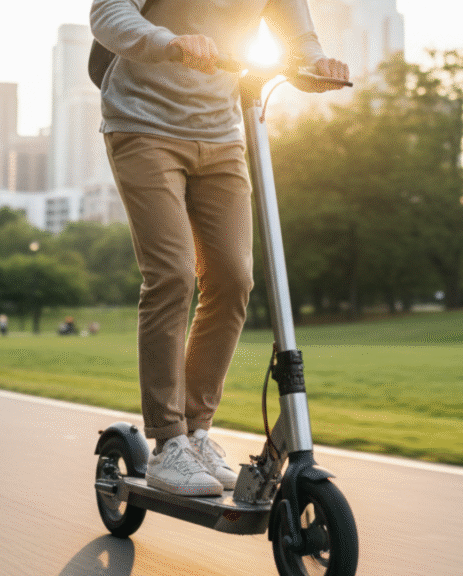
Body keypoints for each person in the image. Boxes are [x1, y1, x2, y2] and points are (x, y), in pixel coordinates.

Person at [91, 0, 349, 497]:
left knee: (234, 279)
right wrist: (169, 41)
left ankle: (196, 430)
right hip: (142, 123)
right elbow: (108, 13)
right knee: (171, 273)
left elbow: (299, 40)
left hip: (220, 132)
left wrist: (315, 68)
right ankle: (168, 443)